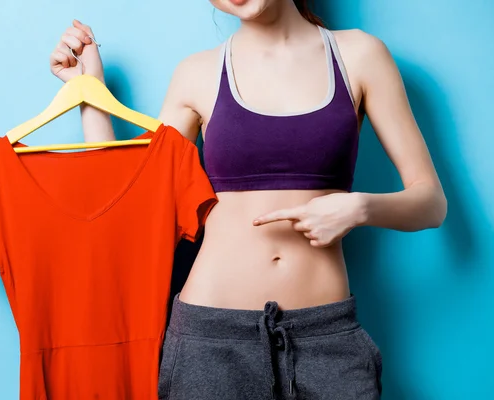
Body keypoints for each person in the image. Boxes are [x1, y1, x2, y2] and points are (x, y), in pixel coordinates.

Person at [49, 0, 447, 398]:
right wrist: (90, 91)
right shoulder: (197, 72)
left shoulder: (358, 55)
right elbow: (126, 201)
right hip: (212, 339)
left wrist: (359, 208)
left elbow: (430, 203)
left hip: (325, 336)